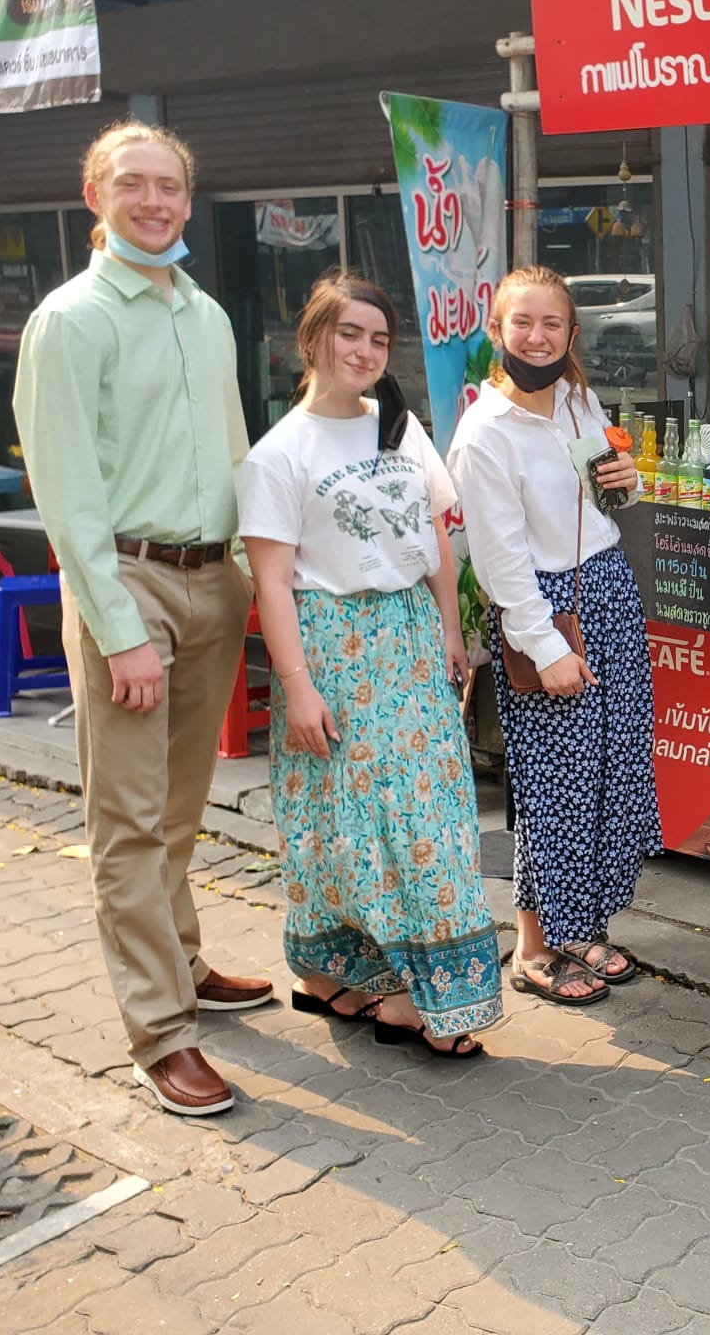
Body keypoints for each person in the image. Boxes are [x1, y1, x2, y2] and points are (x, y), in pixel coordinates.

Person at [12, 119, 271, 1117]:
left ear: (188, 198)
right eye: (133, 184)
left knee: (177, 808)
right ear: (96, 195)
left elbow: (236, 448)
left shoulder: (202, 314)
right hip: (129, 584)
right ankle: (160, 1034)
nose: (154, 200)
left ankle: (185, 962)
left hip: (214, 579)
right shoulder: (70, 320)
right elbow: (66, 490)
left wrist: (252, 571)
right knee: (125, 817)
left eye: (169, 185)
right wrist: (116, 625)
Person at [236, 272, 502, 1059]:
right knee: (341, 823)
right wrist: (298, 688)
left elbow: (436, 538)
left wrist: (454, 632)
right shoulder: (278, 455)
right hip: (331, 648)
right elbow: (274, 583)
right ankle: (339, 975)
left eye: (378, 338)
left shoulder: (398, 426)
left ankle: (429, 993)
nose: (364, 350)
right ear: (312, 339)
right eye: (348, 333)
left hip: (411, 639)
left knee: (431, 821)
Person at [447, 266, 659, 1007]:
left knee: (609, 770)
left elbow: (608, 495)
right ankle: (535, 948)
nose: (537, 338)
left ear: (571, 333)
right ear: (496, 332)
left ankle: (585, 927)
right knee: (553, 784)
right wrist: (547, 649)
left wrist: (625, 479)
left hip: (605, 588)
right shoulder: (485, 433)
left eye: (552, 325)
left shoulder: (577, 397)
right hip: (544, 613)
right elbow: (501, 563)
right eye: (522, 323)